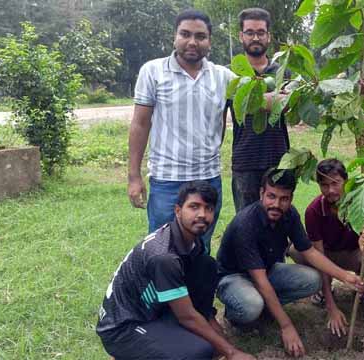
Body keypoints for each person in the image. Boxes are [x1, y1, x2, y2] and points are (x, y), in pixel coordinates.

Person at [97, 181, 255, 360]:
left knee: (206, 265)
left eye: (208, 208)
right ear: (178, 211)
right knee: (199, 352)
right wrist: (231, 352)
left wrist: (218, 334)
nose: (202, 214)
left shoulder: (192, 241)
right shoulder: (164, 257)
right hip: (123, 328)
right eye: (194, 207)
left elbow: (196, 303)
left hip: (154, 312)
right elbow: (187, 316)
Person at [216, 169, 364, 358]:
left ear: (291, 198)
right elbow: (260, 280)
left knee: (313, 279)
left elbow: (309, 252)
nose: (276, 204)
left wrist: (344, 276)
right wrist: (286, 326)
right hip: (234, 278)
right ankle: (235, 317)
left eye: (284, 198)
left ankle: (267, 308)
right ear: (261, 193)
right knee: (251, 305)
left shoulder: (290, 215)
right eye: (271, 196)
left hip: (268, 271)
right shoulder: (245, 224)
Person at [127, 9, 234, 252]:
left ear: (209, 41)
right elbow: (140, 124)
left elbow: (259, 98)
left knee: (201, 246)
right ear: (174, 36)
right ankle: (163, 291)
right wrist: (134, 175)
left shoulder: (223, 77)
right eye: (185, 34)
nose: (192, 42)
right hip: (167, 181)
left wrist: (298, 93)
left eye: (200, 36)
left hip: (208, 178)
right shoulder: (152, 71)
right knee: (162, 249)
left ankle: (197, 291)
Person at [287, 158, 364, 338]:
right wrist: (331, 307)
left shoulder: (363, 204)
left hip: (353, 253)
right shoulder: (314, 211)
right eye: (324, 185)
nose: (331, 190)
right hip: (326, 255)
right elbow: (318, 255)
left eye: (336, 183)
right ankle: (323, 289)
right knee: (296, 250)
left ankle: (363, 287)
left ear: (346, 181)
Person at [229, 7, 290, 212]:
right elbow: (277, 102)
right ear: (241, 36)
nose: (255, 37)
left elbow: (290, 104)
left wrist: (251, 99)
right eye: (250, 32)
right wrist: (275, 99)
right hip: (245, 161)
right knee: (246, 224)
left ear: (268, 36)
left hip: (279, 159)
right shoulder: (232, 74)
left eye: (260, 32)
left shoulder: (282, 71)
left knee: (279, 221)